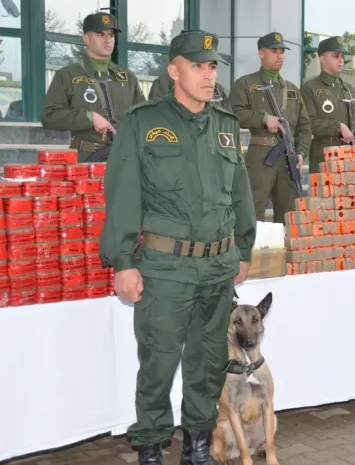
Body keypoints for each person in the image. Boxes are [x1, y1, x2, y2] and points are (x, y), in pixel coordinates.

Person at [99, 30, 257, 465]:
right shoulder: (143, 122)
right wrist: (123, 260)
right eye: (197, 66)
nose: (208, 75)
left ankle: (197, 447)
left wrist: (244, 248)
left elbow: (240, 192)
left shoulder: (226, 124)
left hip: (218, 266)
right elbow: (123, 194)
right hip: (166, 267)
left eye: (212, 66)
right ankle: (151, 448)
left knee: (208, 362)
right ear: (173, 70)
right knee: (158, 361)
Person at [229, 31, 311, 223]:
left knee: (288, 214)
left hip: (288, 159)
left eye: (282, 51)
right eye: (274, 51)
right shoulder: (246, 84)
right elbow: (232, 113)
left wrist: (301, 152)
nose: (280, 56)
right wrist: (263, 118)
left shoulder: (292, 89)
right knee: (253, 211)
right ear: (261, 53)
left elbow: (305, 125)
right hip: (260, 157)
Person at [41, 11, 146, 161]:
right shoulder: (68, 75)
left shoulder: (128, 78)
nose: (107, 40)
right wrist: (89, 118)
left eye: (111, 35)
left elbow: (143, 117)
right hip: (85, 158)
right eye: (100, 35)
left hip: (124, 159)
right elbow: (49, 116)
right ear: (86, 38)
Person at [300, 35, 355, 173]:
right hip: (324, 157)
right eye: (336, 56)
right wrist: (338, 127)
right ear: (322, 59)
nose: (341, 60)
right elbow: (308, 123)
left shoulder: (350, 90)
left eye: (342, 56)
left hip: (351, 158)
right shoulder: (310, 88)